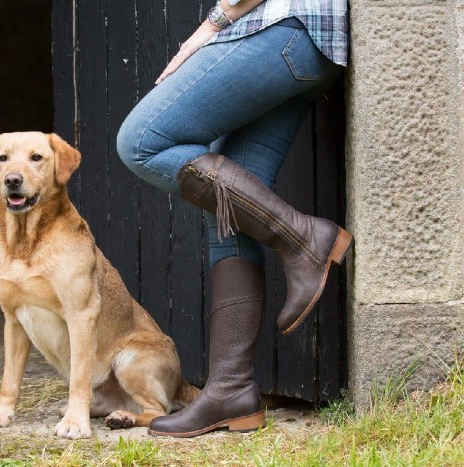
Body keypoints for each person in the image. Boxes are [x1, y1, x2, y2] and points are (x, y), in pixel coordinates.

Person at [117, 0, 352, 437]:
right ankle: (232, 388)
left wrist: (217, 21)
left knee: (140, 141)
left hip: (285, 25)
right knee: (230, 206)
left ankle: (303, 238)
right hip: (310, 38)